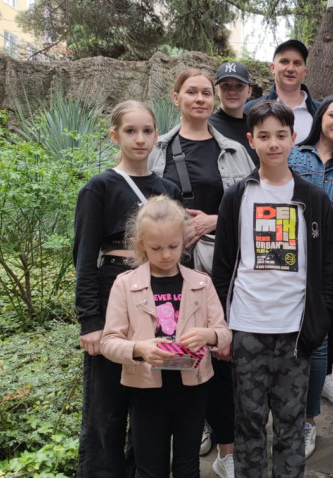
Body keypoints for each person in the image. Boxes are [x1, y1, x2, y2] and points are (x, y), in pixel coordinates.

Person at [212, 100, 333, 477]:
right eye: (264, 136)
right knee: (248, 423)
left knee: (291, 425)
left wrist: (318, 323)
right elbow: (223, 267)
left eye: (281, 135)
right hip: (246, 328)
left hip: (295, 331)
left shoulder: (314, 198)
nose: (273, 144)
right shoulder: (237, 196)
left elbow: (328, 270)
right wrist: (223, 327)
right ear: (251, 140)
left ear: (293, 138)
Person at [149, 68, 254, 478]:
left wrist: (215, 220)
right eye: (191, 92)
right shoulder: (158, 149)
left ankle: (228, 450)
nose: (200, 99)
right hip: (170, 269)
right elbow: (142, 210)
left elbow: (255, 208)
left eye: (206, 93)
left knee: (222, 353)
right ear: (176, 97)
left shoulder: (234, 150)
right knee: (177, 350)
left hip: (221, 267)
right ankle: (197, 431)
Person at [74, 100, 182, 478]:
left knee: (152, 396)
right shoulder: (99, 187)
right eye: (130, 131)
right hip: (113, 292)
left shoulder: (168, 188)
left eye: (147, 131)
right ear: (114, 135)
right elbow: (84, 258)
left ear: (156, 135)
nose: (140, 139)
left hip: (161, 292)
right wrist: (90, 321)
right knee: (106, 403)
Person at [101, 196, 232, 478]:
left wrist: (209, 335)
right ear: (141, 244)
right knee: (150, 468)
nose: (165, 255)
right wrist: (139, 348)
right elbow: (109, 341)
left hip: (192, 389)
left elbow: (224, 333)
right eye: (156, 248)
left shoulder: (201, 282)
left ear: (184, 240)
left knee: (187, 465)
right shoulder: (126, 285)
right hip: (145, 390)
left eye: (173, 246)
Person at [288, 95, 333, 458]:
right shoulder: (295, 155)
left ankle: (308, 420)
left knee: (317, 341)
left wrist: (326, 235)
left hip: (325, 261)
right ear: (321, 118)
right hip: (284, 258)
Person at [245, 39, 320, 144]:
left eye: (297, 63)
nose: (290, 69)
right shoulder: (249, 110)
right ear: (272, 68)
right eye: (284, 61)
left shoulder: (321, 113)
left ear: (304, 71)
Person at [209, 61, 259, 166]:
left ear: (249, 91)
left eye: (239, 86)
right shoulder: (207, 127)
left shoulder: (257, 127)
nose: (232, 91)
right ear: (217, 90)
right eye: (225, 85)